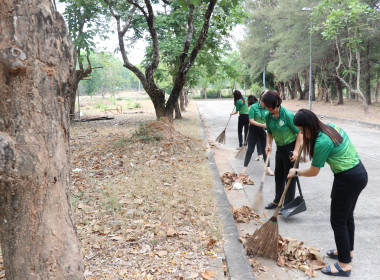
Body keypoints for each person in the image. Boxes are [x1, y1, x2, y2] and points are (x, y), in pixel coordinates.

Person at [287, 109, 367, 277]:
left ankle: (344, 266)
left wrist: (297, 173)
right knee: (346, 217)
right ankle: (347, 252)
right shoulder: (330, 127)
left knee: (338, 221)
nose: (301, 134)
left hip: (347, 179)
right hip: (359, 174)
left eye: (302, 130)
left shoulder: (322, 142)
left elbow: (314, 171)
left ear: (309, 126)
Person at [261, 90, 302, 209]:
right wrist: (268, 144)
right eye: (266, 106)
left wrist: (295, 151)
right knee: (278, 175)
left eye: (270, 106)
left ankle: (288, 204)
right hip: (280, 148)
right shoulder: (268, 116)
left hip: (291, 147)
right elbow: (269, 132)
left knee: (289, 176)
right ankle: (277, 200)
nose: (268, 109)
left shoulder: (287, 115)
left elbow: (300, 133)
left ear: (277, 103)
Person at [241, 93, 274, 176]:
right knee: (250, 150)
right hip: (253, 130)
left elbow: (271, 119)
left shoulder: (268, 108)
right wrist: (262, 125)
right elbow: (251, 121)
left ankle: (268, 169)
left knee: (265, 150)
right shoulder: (253, 107)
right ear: (261, 100)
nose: (267, 105)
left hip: (264, 132)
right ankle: (244, 168)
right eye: (265, 102)